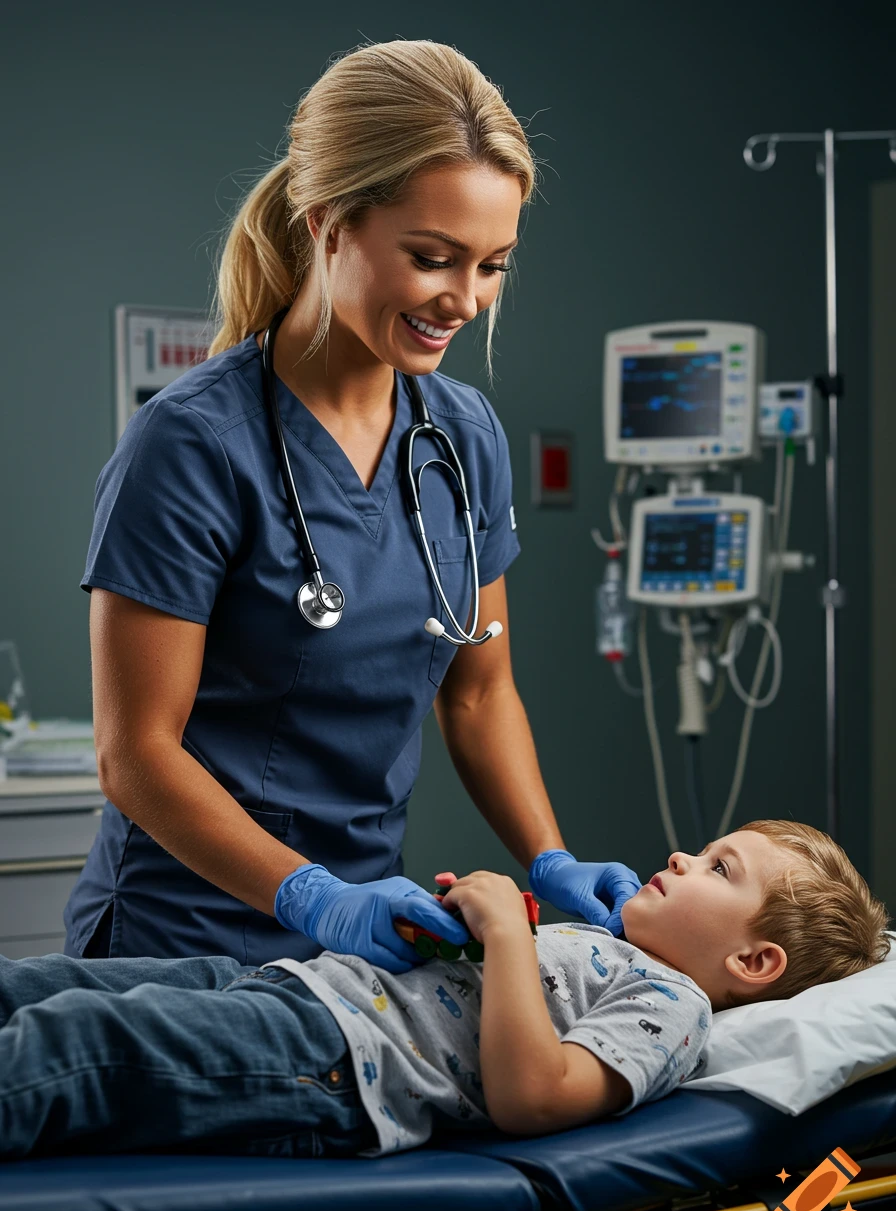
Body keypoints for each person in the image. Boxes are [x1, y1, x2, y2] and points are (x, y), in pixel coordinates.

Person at [64, 38, 641, 967]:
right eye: (433, 257)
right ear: (328, 220)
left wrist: (548, 855)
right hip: (184, 935)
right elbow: (135, 754)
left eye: (493, 265)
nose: (465, 299)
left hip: (366, 943)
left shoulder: (463, 437)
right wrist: (309, 894)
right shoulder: (192, 444)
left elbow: (479, 690)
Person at [4, 821, 889, 1161]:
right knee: (43, 984)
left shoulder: (675, 1010)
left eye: (716, 867)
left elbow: (534, 1096)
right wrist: (457, 932)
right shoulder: (610, 948)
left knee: (78, 1044)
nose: (679, 858)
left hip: (332, 1063)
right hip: (295, 988)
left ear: (755, 964)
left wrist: (507, 932)